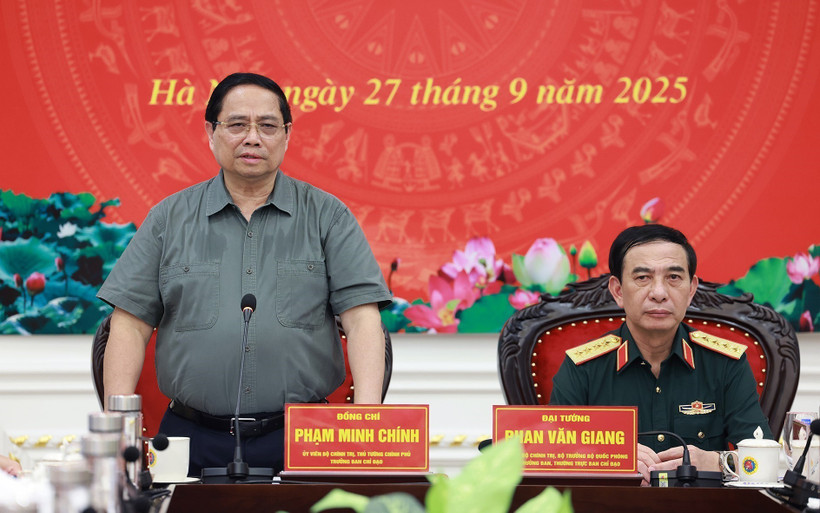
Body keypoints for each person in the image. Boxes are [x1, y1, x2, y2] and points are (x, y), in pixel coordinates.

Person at [97, 72, 392, 476]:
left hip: (305, 436)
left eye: (267, 126)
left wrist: (366, 424)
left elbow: (362, 321)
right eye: (237, 124)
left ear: (286, 135)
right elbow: (129, 325)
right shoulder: (169, 219)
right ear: (211, 131)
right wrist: (118, 428)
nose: (252, 138)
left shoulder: (328, 217)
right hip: (189, 436)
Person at [550, 224, 772, 485]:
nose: (659, 293)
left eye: (674, 278)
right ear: (618, 291)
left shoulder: (725, 364)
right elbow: (554, 457)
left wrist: (718, 462)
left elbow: (763, 459)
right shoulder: (582, 368)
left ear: (691, 290)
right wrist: (609, 458)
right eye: (642, 278)